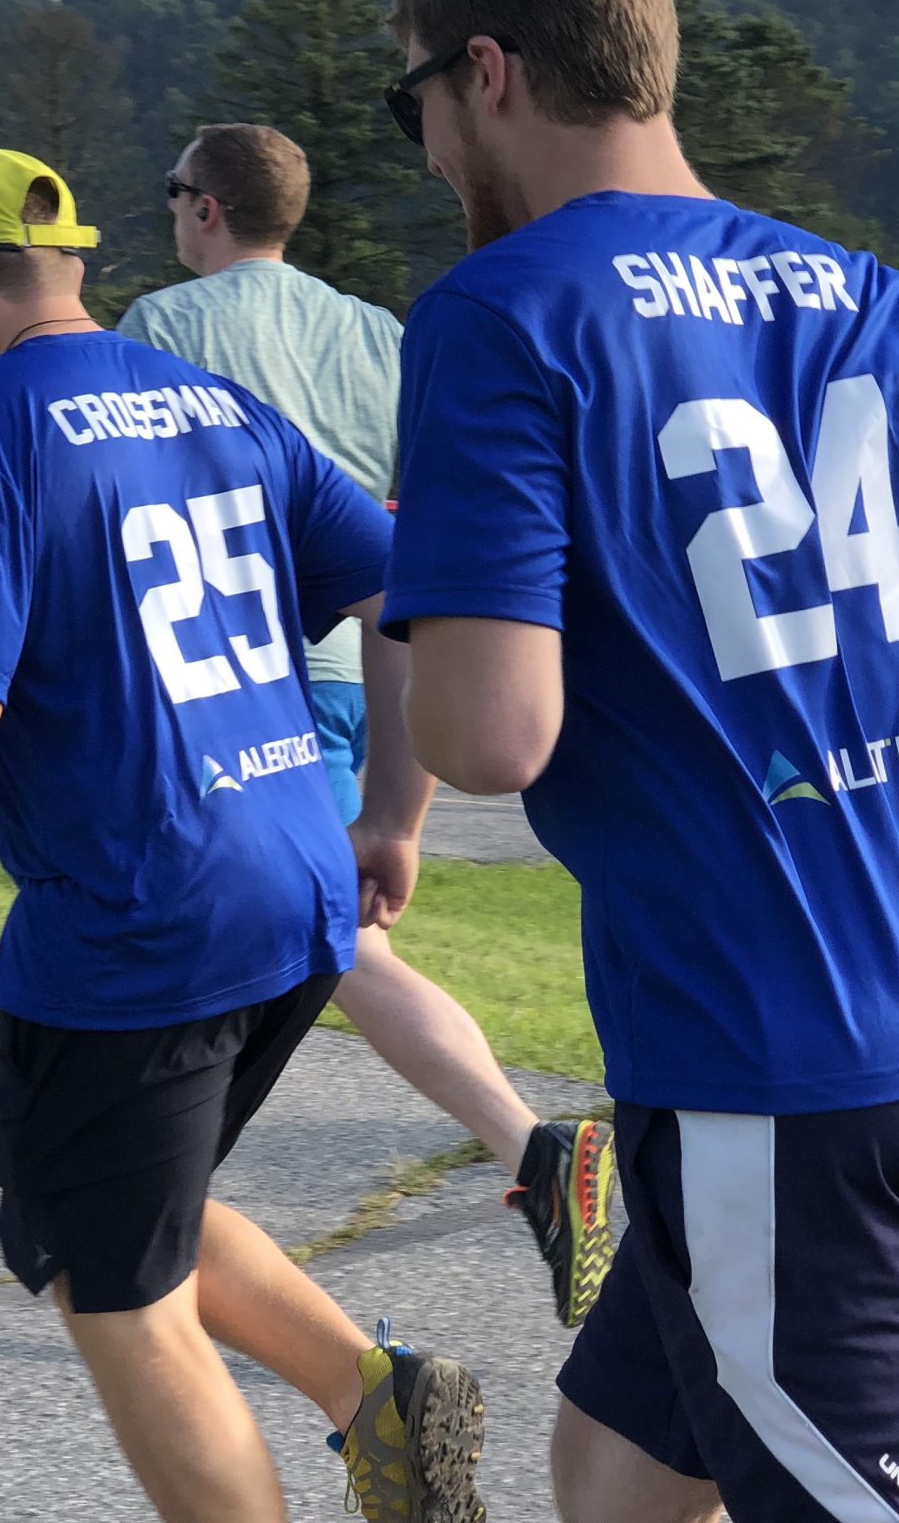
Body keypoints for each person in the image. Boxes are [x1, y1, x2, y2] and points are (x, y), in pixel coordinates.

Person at [381, 0, 899, 1523]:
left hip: (778, 1072)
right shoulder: (887, 303)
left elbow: (490, 738)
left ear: (485, 71)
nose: (417, 140)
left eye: (406, 94)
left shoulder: (501, 313)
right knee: (617, 1468)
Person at [0, 149, 486, 1523]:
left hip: (144, 922)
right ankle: (379, 1393)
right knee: (69, 1189)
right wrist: (392, 815)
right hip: (293, 885)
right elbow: (405, 588)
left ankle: (371, 1399)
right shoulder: (222, 405)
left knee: (114, 1291)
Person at [121, 120, 617, 1329]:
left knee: (277, 935)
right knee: (329, 933)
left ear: (203, 208)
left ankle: (149, 1201)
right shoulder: (375, 335)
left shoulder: (160, 331)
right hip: (362, 660)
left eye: (172, 191)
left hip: (229, 668)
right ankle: (523, 1151)